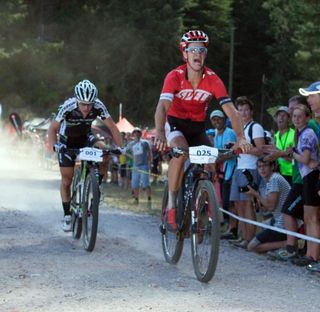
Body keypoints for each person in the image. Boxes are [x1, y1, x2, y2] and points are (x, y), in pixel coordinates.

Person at [154, 30, 250, 231]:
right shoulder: (175, 76)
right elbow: (163, 107)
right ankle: (171, 204)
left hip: (197, 127)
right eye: (193, 50)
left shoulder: (213, 79)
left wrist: (241, 137)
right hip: (175, 123)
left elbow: (231, 110)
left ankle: (203, 207)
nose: (198, 54)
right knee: (179, 154)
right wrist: (161, 135)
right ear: (185, 54)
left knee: (210, 163)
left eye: (202, 50)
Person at [48, 79, 122, 231]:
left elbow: (113, 127)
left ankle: (97, 187)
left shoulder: (99, 105)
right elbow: (52, 128)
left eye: (90, 104)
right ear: (77, 100)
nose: (87, 108)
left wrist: (120, 148)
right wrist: (55, 146)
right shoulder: (68, 106)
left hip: (86, 137)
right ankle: (67, 215)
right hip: (66, 141)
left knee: (104, 151)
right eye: (83, 104)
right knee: (66, 180)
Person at [229, 96, 264, 248]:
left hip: (249, 169)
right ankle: (243, 236)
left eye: (246, 110)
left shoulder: (255, 127)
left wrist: (242, 148)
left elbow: (260, 149)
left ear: (251, 111)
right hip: (238, 168)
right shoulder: (239, 129)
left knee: (247, 204)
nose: (243, 113)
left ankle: (250, 238)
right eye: (240, 110)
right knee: (238, 204)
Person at [246, 158, 291, 253]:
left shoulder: (274, 179)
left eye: (265, 166)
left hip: (283, 224)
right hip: (279, 219)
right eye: (259, 167)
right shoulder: (270, 180)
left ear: (272, 166)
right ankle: (279, 246)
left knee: (251, 247)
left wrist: (256, 194)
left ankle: (288, 244)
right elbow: (265, 209)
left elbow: (270, 207)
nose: (262, 169)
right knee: (263, 224)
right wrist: (254, 198)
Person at [209, 110, 237, 237]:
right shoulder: (215, 134)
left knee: (230, 201)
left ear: (223, 120)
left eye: (218, 119)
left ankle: (233, 229)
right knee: (225, 201)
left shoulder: (229, 133)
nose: (216, 122)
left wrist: (216, 160)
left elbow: (229, 153)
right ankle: (231, 228)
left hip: (231, 169)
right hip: (222, 171)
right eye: (214, 119)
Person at [264, 106, 295, 185]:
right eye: (279, 115)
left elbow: (295, 158)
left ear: (288, 119)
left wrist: (278, 153)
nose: (281, 118)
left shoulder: (294, 134)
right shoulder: (275, 136)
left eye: (284, 115)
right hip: (277, 174)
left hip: (292, 175)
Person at [125, 127, 152, 204]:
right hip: (135, 166)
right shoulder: (131, 144)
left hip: (144, 165)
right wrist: (131, 157)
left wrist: (150, 163)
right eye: (135, 132)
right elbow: (125, 152)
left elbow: (149, 153)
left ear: (140, 134)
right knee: (135, 184)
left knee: (146, 183)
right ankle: (136, 199)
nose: (136, 134)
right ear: (133, 134)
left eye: (138, 132)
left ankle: (149, 198)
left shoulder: (145, 143)